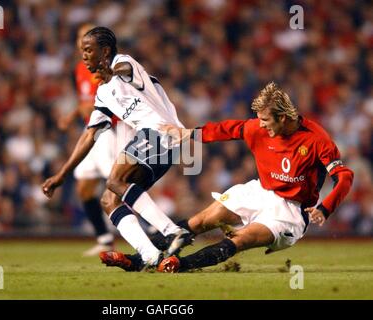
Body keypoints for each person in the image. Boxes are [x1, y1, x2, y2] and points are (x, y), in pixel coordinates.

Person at [103, 82, 354, 273]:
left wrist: (325, 207)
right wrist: (190, 133)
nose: (261, 125)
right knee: (201, 220)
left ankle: (178, 265)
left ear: (284, 118)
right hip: (261, 191)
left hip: (291, 211)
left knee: (241, 239)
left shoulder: (316, 139)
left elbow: (344, 177)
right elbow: (227, 129)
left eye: (266, 120)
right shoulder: (258, 127)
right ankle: (139, 259)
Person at [41, 26, 193, 269]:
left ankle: (172, 231)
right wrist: (61, 175)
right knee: (109, 199)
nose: (84, 56)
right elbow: (89, 136)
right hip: (163, 145)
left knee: (114, 179)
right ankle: (151, 256)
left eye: (89, 50)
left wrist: (111, 70)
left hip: (162, 133)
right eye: (82, 51)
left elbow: (124, 69)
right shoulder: (102, 95)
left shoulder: (124, 63)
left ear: (105, 51)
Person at [57, 23, 121, 256]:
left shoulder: (104, 67)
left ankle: (157, 229)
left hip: (107, 132)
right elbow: (86, 103)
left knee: (117, 183)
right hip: (91, 133)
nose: (81, 40)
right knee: (84, 187)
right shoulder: (79, 68)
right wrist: (73, 115)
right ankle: (105, 239)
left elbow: (101, 102)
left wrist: (74, 113)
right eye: (78, 35)